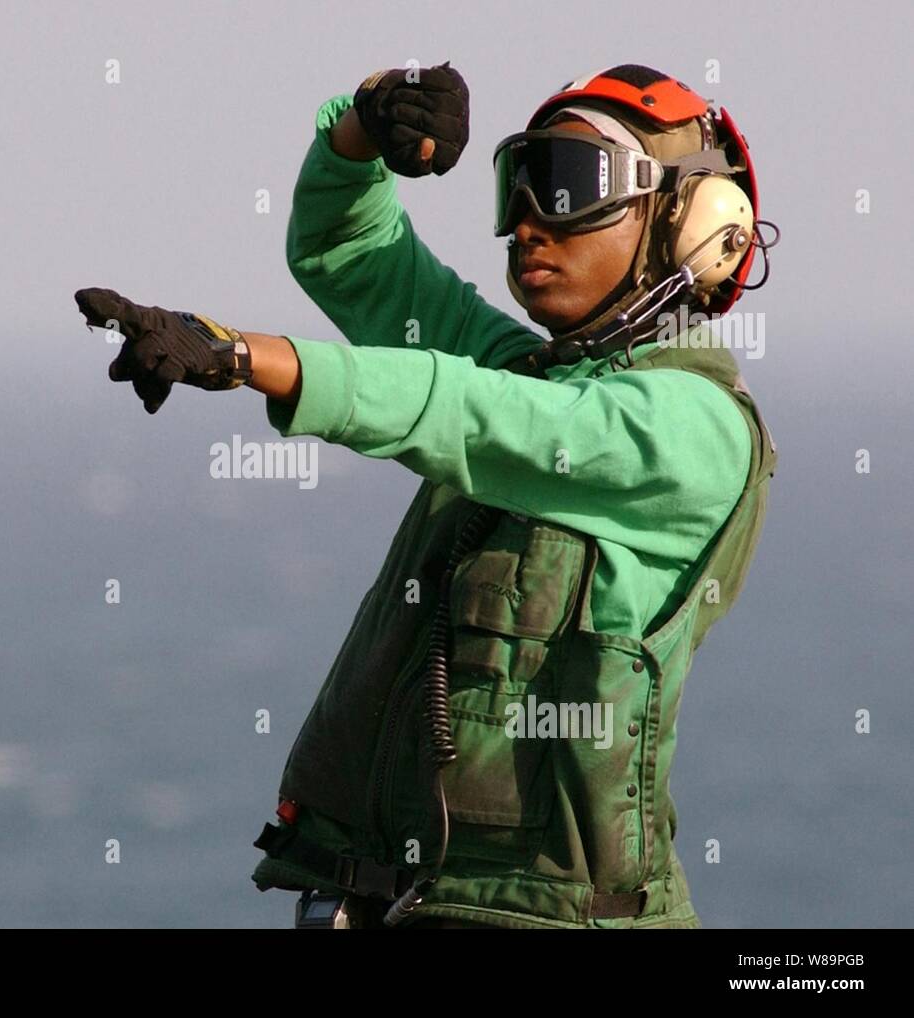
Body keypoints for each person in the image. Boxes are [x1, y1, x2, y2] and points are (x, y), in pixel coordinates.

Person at [75, 63, 778, 929]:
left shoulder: (694, 430)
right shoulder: (538, 378)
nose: (525, 224)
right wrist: (362, 132)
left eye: (565, 185)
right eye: (513, 185)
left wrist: (247, 358)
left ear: (696, 227)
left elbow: (473, 412)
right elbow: (355, 259)